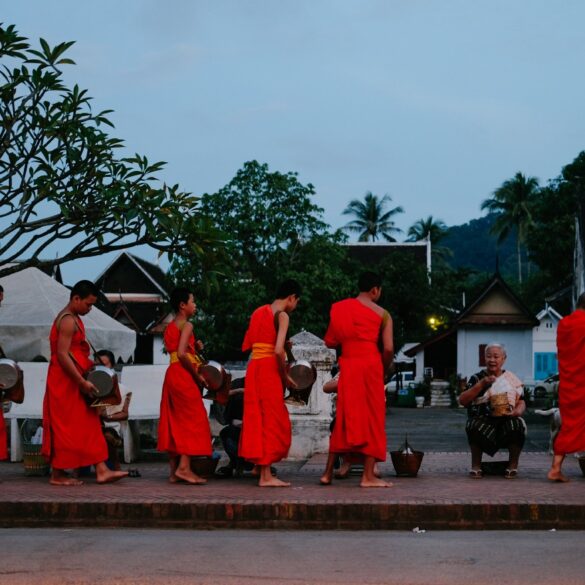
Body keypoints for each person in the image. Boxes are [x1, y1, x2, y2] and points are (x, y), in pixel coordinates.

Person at [41, 280, 128, 486]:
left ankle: (101, 469)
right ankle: (58, 474)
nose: (90, 309)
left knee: (88, 423)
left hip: (74, 379)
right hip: (65, 381)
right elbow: (62, 355)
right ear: (76, 298)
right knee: (64, 426)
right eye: (88, 304)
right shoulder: (68, 320)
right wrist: (81, 382)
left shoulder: (75, 318)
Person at [320, 271, 394, 488]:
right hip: (371, 364)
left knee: (343, 418)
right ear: (375, 290)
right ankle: (368, 476)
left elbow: (330, 341)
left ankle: (327, 473)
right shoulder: (383, 314)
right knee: (373, 418)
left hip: (349, 365)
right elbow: (388, 348)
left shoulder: (339, 308)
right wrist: (382, 366)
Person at [239, 279, 301, 487]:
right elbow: (276, 351)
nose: (295, 306)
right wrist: (286, 377)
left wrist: (281, 344)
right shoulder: (282, 315)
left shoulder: (258, 311)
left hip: (255, 367)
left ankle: (259, 466)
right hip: (268, 369)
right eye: (296, 301)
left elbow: (254, 344)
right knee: (273, 418)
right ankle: (266, 475)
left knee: (257, 416)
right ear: (291, 297)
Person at [157, 287, 212, 485]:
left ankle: (173, 472)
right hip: (183, 374)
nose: (195, 305)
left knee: (175, 420)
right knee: (193, 419)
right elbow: (181, 354)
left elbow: (178, 351)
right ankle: (184, 468)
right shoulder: (187, 325)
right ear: (182, 305)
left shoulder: (171, 326)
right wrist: (197, 376)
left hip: (172, 374)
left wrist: (194, 349)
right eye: (192, 301)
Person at [459, 343, 526, 479]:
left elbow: (521, 401)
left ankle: (512, 466)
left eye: (496, 356)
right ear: (484, 358)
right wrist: (482, 384)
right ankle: (476, 466)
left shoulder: (510, 378)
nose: (492, 360)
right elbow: (463, 400)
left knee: (517, 424)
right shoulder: (477, 378)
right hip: (483, 421)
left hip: (506, 420)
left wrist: (517, 412)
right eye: (488, 356)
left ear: (503, 359)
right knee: (473, 424)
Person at [548, 292, 585, 482]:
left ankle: (556, 468)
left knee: (569, 426)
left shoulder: (564, 324)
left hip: (568, 381)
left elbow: (563, 351)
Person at [94, 349, 136, 474]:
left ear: (111, 366)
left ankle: (116, 466)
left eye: (104, 365)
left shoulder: (123, 389)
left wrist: (107, 417)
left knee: (107, 435)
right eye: (97, 365)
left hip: (110, 427)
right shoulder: (88, 386)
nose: (100, 368)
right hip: (91, 426)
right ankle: (77, 471)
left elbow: (125, 414)